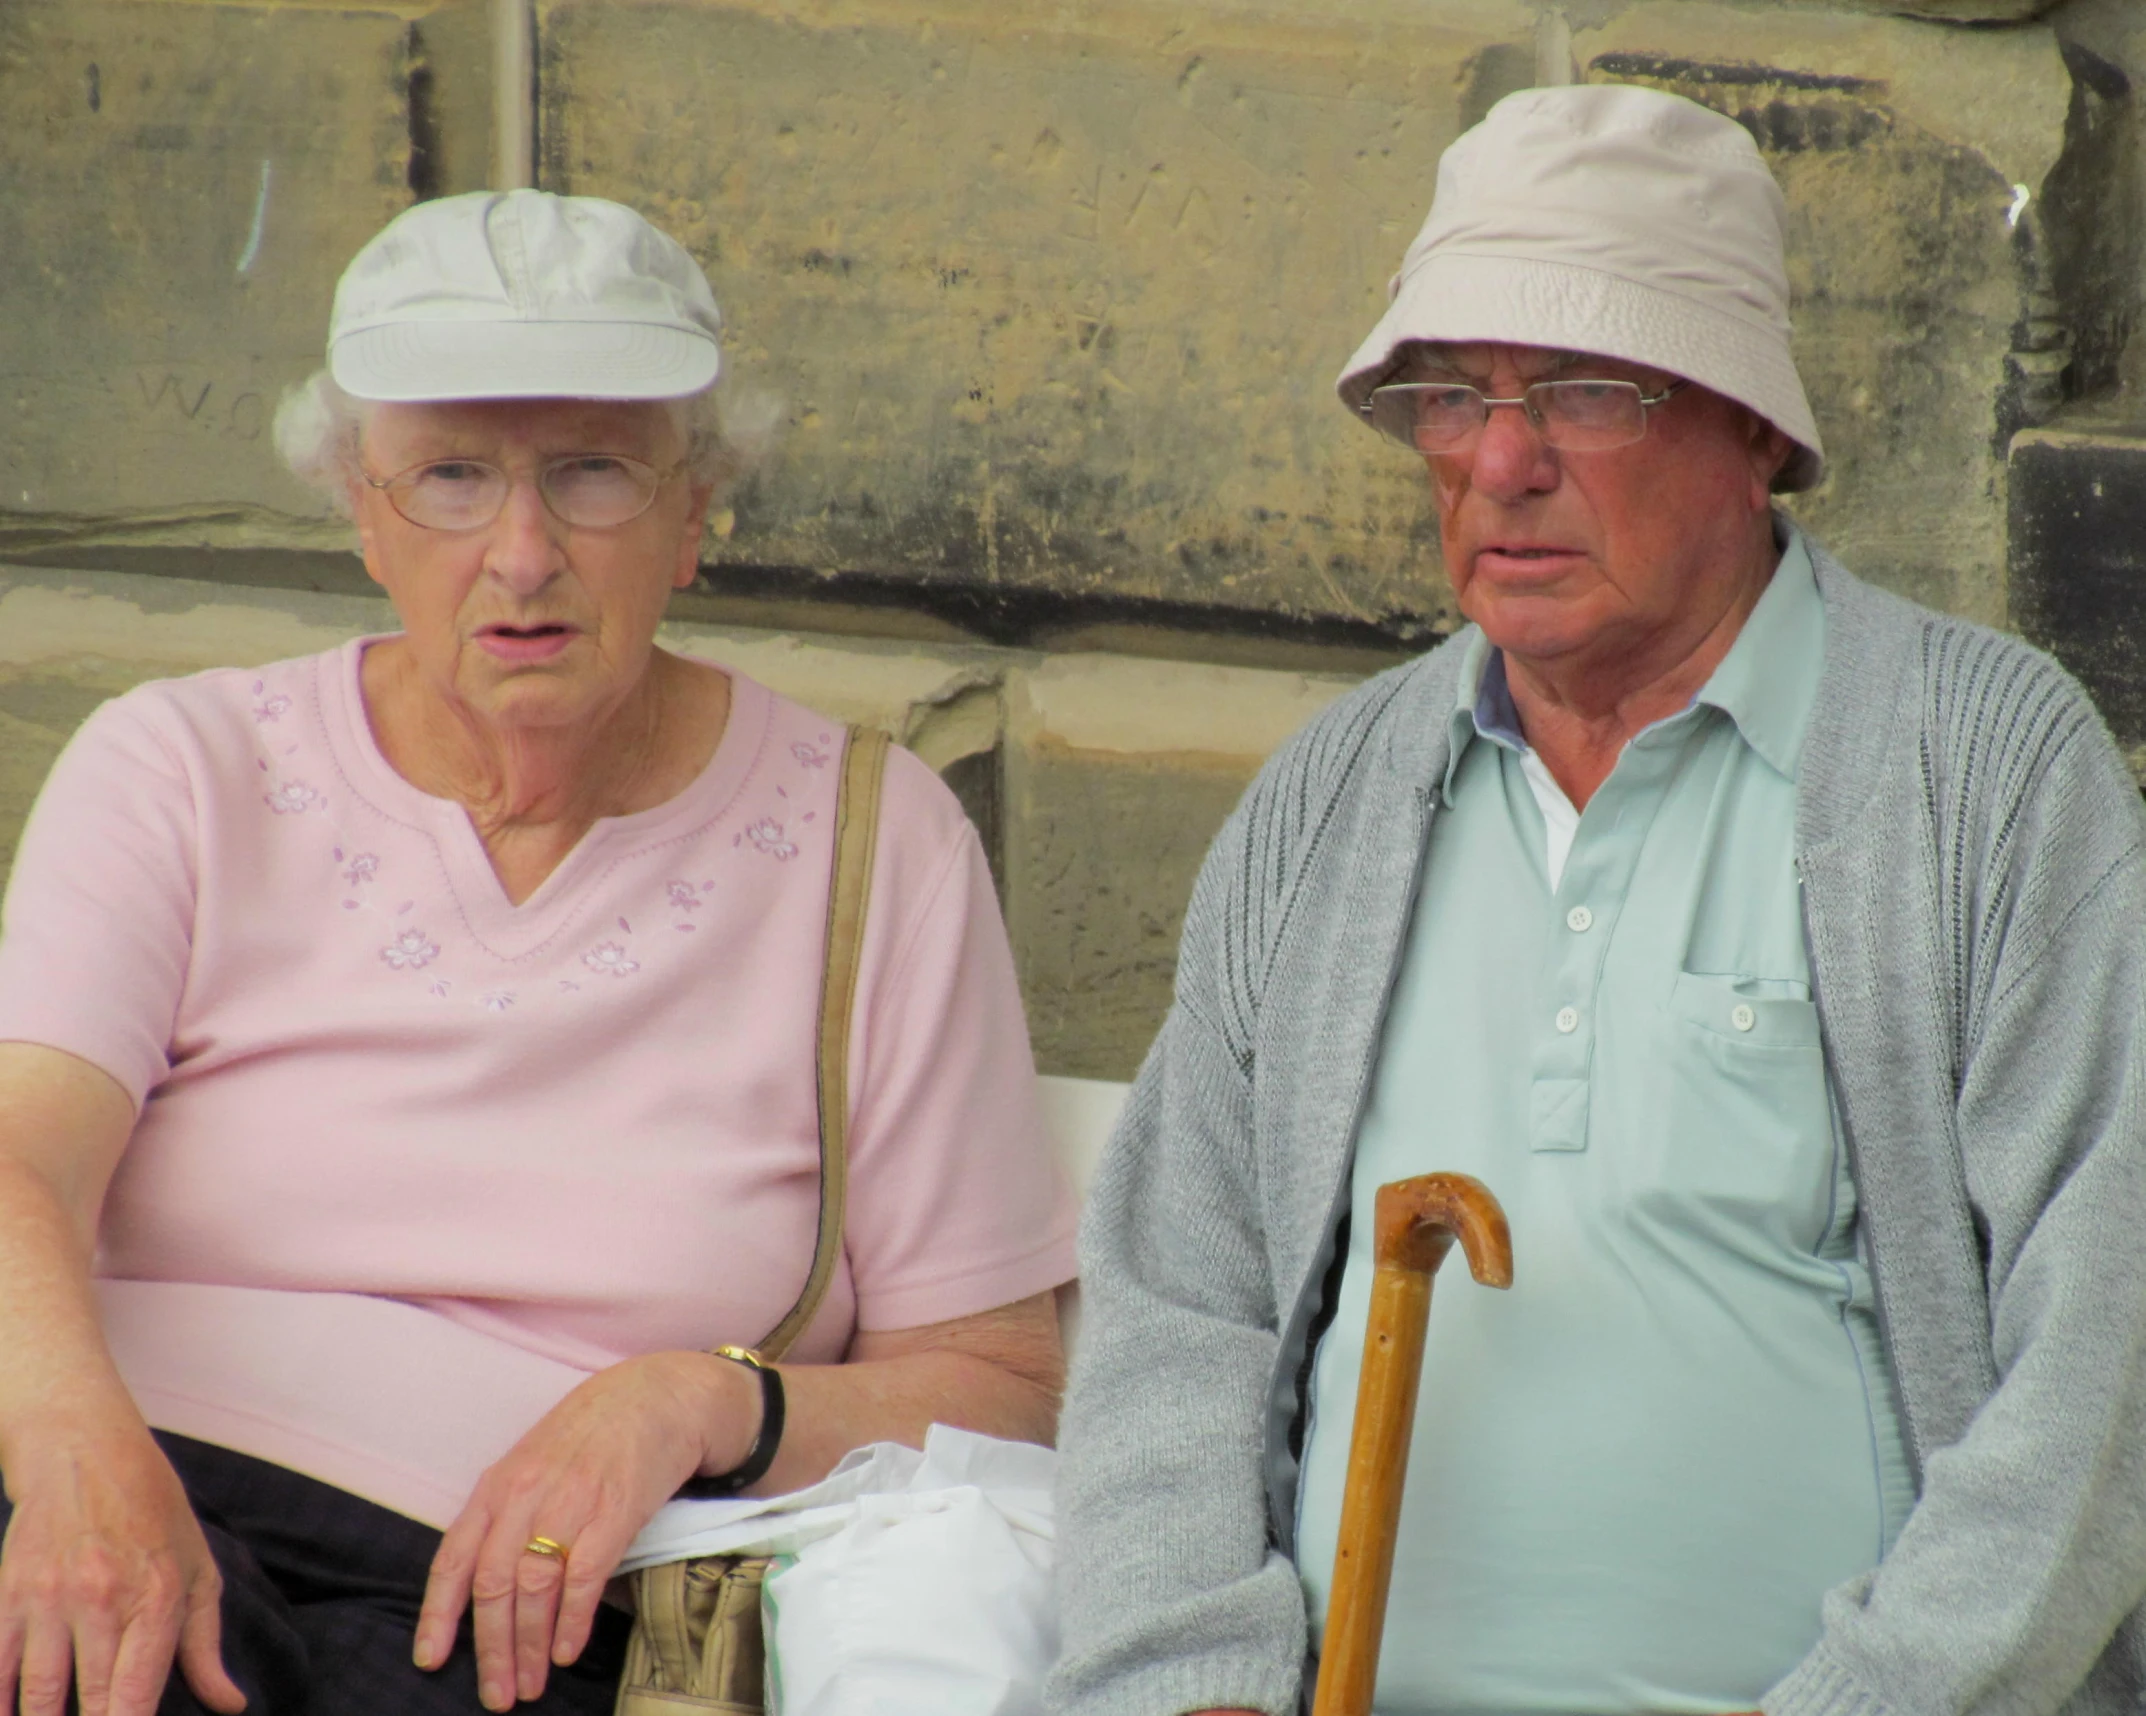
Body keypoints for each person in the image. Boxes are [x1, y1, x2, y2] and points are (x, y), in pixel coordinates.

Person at [1048, 83, 2146, 1716]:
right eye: (1448, 395)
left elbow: (2103, 1354)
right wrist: (1184, 1685)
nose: (1500, 462)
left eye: (1587, 390)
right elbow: (1176, 1309)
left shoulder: (1977, 767)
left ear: (1754, 429)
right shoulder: (1334, 792)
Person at [0, 188, 1079, 1716]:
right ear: (360, 510)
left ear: (697, 509)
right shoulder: (180, 766)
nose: (519, 554)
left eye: (592, 474)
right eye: (449, 476)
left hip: (510, 1611)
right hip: (109, 1493)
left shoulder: (871, 840)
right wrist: (71, 1458)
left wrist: (698, 1401)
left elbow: (999, 1391)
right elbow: (15, 1166)